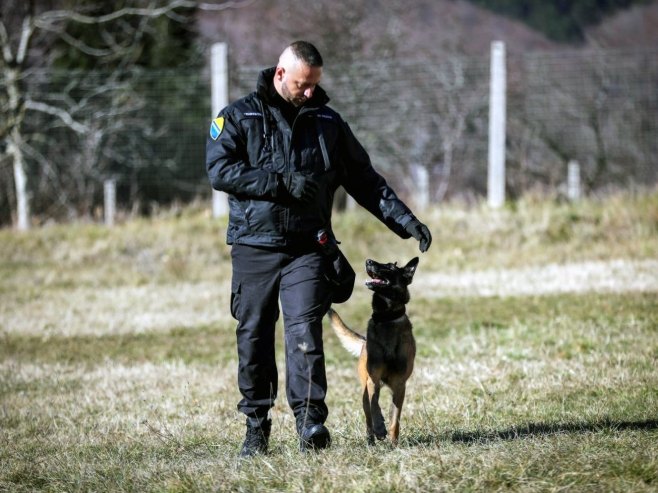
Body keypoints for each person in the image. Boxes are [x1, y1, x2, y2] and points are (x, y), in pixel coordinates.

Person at [205, 41, 431, 457]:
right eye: (301, 84)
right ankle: (256, 427)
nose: (309, 92)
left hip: (309, 247)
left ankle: (310, 423)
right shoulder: (238, 117)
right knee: (253, 334)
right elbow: (221, 170)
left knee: (304, 331)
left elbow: (365, 179)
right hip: (255, 246)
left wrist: (405, 220)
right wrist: (278, 182)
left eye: (314, 85)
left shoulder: (328, 123)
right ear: (279, 74)